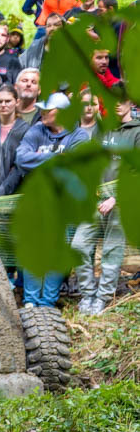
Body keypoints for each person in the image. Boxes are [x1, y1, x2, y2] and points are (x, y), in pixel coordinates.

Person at [71, 95, 139, 314]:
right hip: (96, 197)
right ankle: (88, 294)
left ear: (131, 103)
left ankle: (103, 298)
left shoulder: (137, 131)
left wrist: (116, 197)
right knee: (79, 245)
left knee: (112, 250)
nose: (118, 104)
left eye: (123, 100)